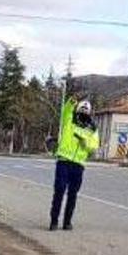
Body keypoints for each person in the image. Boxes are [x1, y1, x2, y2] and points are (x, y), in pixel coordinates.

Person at [50, 97, 99, 231]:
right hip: (64, 160)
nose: (83, 112)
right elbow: (66, 110)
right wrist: (71, 101)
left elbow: (94, 145)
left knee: (73, 194)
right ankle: (54, 220)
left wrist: (86, 144)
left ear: (89, 112)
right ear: (77, 109)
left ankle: (67, 222)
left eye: (86, 110)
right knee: (59, 190)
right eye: (81, 109)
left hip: (78, 164)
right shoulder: (69, 119)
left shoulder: (92, 128)